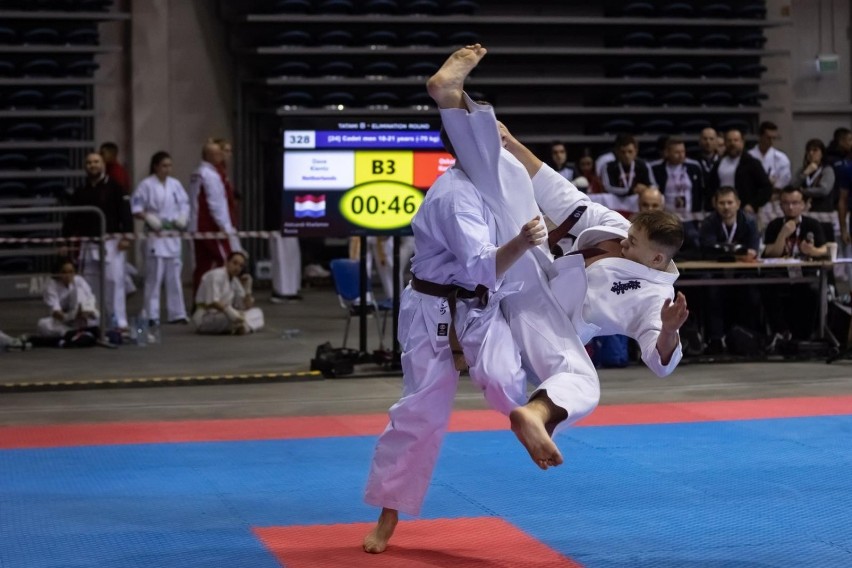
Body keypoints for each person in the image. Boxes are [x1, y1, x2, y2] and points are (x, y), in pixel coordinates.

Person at [63, 152, 133, 331]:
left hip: (111, 242)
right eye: (89, 162)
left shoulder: (116, 187)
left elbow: (126, 212)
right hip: (89, 243)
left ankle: (119, 322)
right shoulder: (81, 191)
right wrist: (65, 240)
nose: (92, 165)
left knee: (113, 282)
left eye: (96, 162)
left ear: (102, 164)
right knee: (89, 284)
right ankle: (94, 320)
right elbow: (72, 218)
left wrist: (127, 235)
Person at [698, 186, 762, 353]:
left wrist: (724, 251)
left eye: (730, 202)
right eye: (722, 203)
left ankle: (747, 337)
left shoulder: (749, 222)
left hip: (742, 274)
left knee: (751, 292)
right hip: (715, 273)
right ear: (715, 204)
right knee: (711, 291)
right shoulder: (709, 223)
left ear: (738, 204)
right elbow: (708, 249)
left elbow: (752, 252)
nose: (726, 207)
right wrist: (737, 251)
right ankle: (716, 339)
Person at [131, 151, 190, 324]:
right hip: (155, 234)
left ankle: (177, 313)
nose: (167, 169)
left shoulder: (175, 184)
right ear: (155, 166)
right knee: (154, 277)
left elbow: (185, 204)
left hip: (173, 234)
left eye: (169, 165)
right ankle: (151, 314)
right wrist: (148, 217)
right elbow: (135, 207)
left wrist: (183, 217)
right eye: (164, 165)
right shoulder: (146, 185)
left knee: (174, 277)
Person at [762, 187, 828, 342]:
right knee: (766, 288)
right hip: (780, 273)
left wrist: (812, 251)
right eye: (786, 203)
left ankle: (804, 337)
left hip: (805, 273)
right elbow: (770, 253)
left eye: (795, 203)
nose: (790, 207)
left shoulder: (812, 224)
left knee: (811, 292)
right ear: (780, 206)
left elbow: (825, 249)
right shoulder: (774, 225)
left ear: (803, 205)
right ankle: (781, 332)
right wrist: (783, 234)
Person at [188, 140, 241, 295]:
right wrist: (224, 227)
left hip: (198, 228)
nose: (221, 156)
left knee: (202, 266)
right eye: (218, 153)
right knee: (228, 263)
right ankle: (226, 300)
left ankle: (199, 303)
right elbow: (215, 203)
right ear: (209, 155)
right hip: (211, 228)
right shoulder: (210, 175)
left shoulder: (197, 172)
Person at [192, 251, 264, 335]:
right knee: (232, 318)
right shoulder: (215, 275)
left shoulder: (234, 281)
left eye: (241, 266)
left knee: (257, 312)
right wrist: (230, 312)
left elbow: (246, 307)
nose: (237, 268)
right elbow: (212, 302)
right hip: (206, 316)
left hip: (225, 315)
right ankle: (243, 326)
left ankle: (243, 327)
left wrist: (248, 290)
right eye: (234, 263)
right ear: (226, 262)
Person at [712, 129, 773, 215]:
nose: (732, 143)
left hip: (744, 211)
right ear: (725, 143)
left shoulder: (752, 163)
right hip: (722, 210)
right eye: (729, 140)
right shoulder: (718, 163)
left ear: (742, 142)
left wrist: (753, 204)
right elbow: (711, 187)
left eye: (736, 140)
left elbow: (767, 188)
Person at [37, 258, 100, 338]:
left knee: (79, 290)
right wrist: (72, 316)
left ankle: (82, 331)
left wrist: (87, 311)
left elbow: (92, 300)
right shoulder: (50, 285)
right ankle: (72, 333)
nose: (68, 276)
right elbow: (56, 313)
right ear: (57, 273)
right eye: (64, 272)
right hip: (64, 320)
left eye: (71, 272)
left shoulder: (79, 280)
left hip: (85, 318)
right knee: (42, 324)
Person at [652, 137, 707, 215]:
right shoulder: (657, 170)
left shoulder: (694, 167)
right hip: (667, 215)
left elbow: (700, 192)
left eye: (683, 151)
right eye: (677, 152)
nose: (681, 155)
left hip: (690, 215)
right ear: (667, 152)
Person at [748, 121, 792, 193]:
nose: (771, 141)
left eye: (774, 138)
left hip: (775, 196)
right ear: (760, 136)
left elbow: (784, 181)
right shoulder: (749, 156)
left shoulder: (781, 158)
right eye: (768, 138)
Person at [794, 138, 836, 213]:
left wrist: (803, 191)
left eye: (815, 150)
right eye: (808, 150)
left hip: (822, 210)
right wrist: (805, 174)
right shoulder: (802, 170)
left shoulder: (827, 170)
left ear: (822, 154)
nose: (811, 153)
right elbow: (791, 186)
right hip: (803, 210)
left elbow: (824, 190)